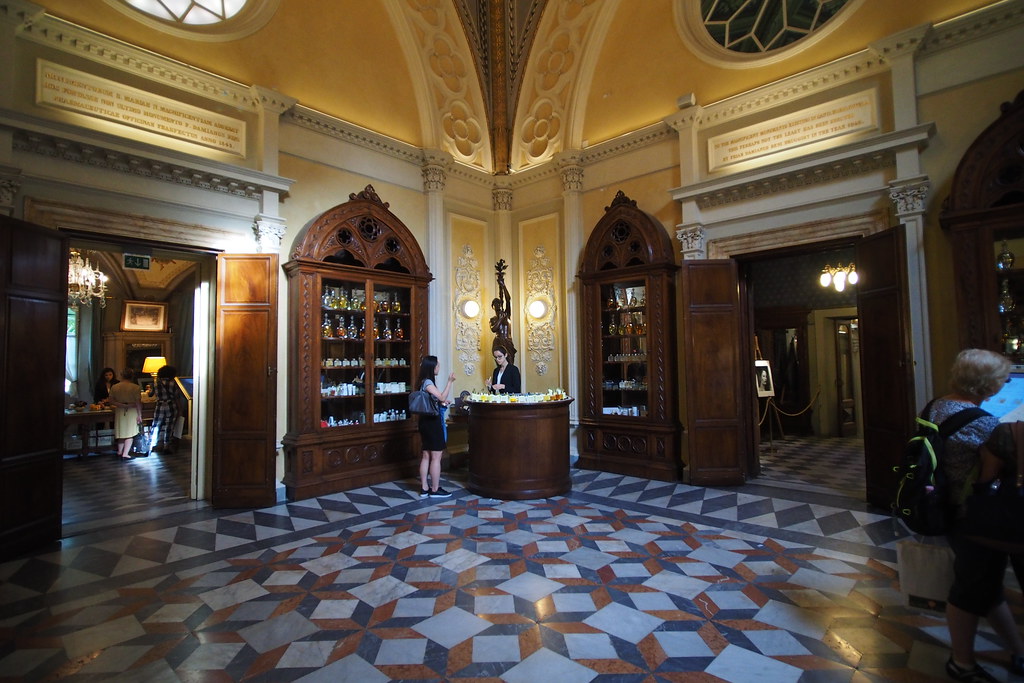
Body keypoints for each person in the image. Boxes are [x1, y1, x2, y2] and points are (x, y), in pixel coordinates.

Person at [926, 349, 1024, 682]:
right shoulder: (984, 424)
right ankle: (962, 663)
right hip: (974, 514)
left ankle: (1017, 650)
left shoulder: (938, 405)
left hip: (948, 506)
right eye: (1002, 379)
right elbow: (987, 476)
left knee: (984, 585)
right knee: (972, 588)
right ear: (988, 385)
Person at [416, 355, 455, 498]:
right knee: (436, 456)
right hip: (432, 423)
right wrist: (450, 382)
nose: (439, 367)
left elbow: (436, 401)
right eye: (437, 365)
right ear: (432, 367)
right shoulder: (428, 383)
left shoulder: (423, 382)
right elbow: (441, 397)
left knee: (426, 455)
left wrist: (441, 404)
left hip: (424, 421)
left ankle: (424, 488)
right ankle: (435, 489)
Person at [108, 368, 143, 461]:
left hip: (119, 411)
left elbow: (111, 400)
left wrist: (121, 405)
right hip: (131, 410)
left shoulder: (115, 387)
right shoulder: (136, 387)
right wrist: (140, 415)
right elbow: (138, 402)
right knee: (130, 434)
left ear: (122, 375)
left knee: (121, 432)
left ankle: (119, 452)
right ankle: (125, 454)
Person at [151, 364, 181, 454]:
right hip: (171, 405)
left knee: (156, 425)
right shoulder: (173, 383)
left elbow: (152, 394)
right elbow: (176, 397)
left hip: (159, 404)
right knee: (169, 426)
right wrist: (180, 409)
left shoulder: (156, 382)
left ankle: (152, 444)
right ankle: (166, 446)